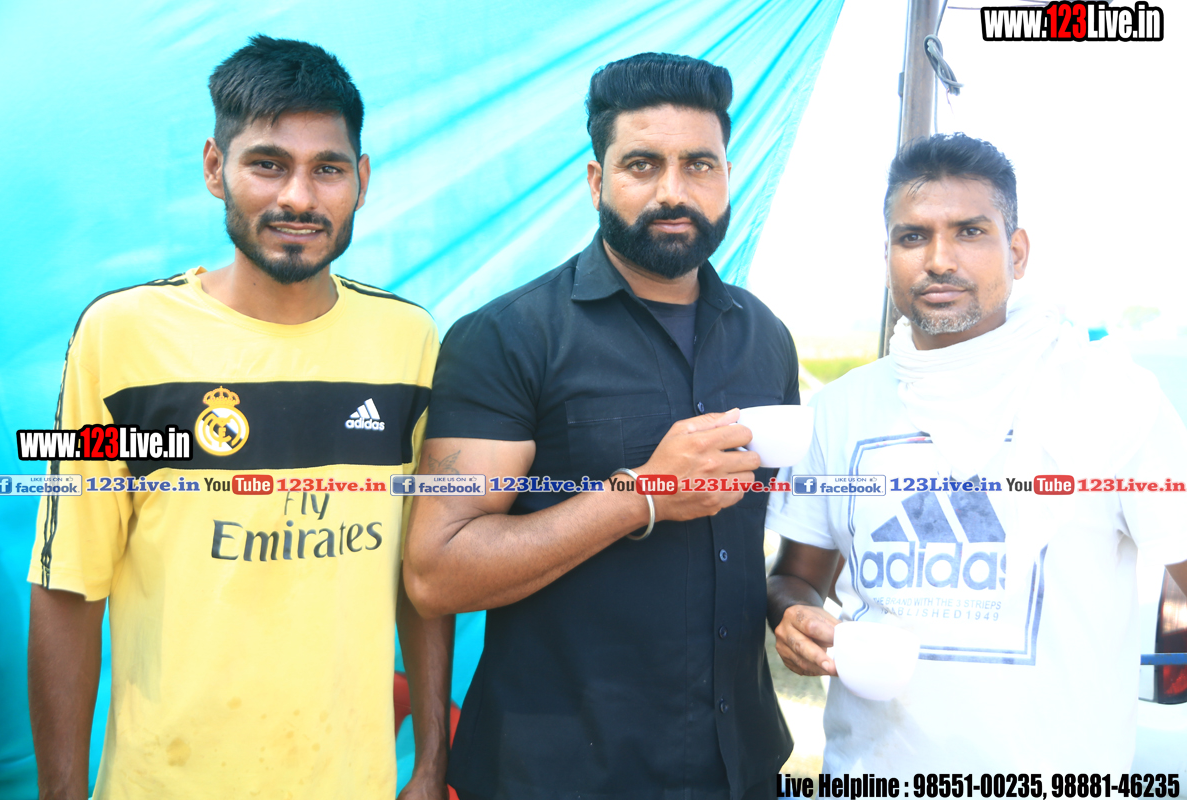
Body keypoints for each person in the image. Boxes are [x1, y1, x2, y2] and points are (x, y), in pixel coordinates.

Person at [27, 35, 452, 799]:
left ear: (362, 181)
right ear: (214, 168)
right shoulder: (121, 338)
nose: (299, 198)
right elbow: (68, 584)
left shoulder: (409, 344)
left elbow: (421, 578)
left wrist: (428, 766)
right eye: (268, 164)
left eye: (327, 169)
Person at [404, 53, 797, 800]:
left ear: (727, 176)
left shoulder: (765, 337)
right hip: (557, 776)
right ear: (596, 181)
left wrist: (798, 607)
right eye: (642, 165)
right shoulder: (509, 337)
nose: (673, 191)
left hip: (740, 766)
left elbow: (761, 543)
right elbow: (436, 571)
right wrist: (641, 495)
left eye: (699, 165)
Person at [767, 133, 1187, 773]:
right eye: (913, 236)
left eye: (970, 232)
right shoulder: (840, 410)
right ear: (888, 255)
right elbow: (796, 576)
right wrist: (794, 615)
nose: (939, 259)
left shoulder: (1112, 399)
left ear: (1016, 251)